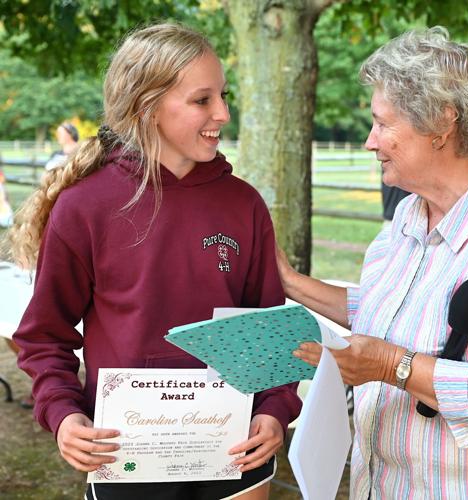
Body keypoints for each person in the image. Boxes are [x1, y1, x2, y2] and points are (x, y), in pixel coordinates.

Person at [277, 27, 468, 498]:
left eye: (382, 123)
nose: (370, 141)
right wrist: (289, 281)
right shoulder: (410, 212)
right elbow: (393, 312)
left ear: (442, 122)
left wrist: (391, 365)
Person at [10, 23, 300, 500]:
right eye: (202, 99)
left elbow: (266, 330)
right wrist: (62, 414)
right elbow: (44, 336)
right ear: (148, 107)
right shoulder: (85, 207)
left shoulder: (243, 204)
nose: (223, 112)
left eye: (222, 95)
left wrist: (274, 408)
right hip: (127, 458)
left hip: (234, 454)